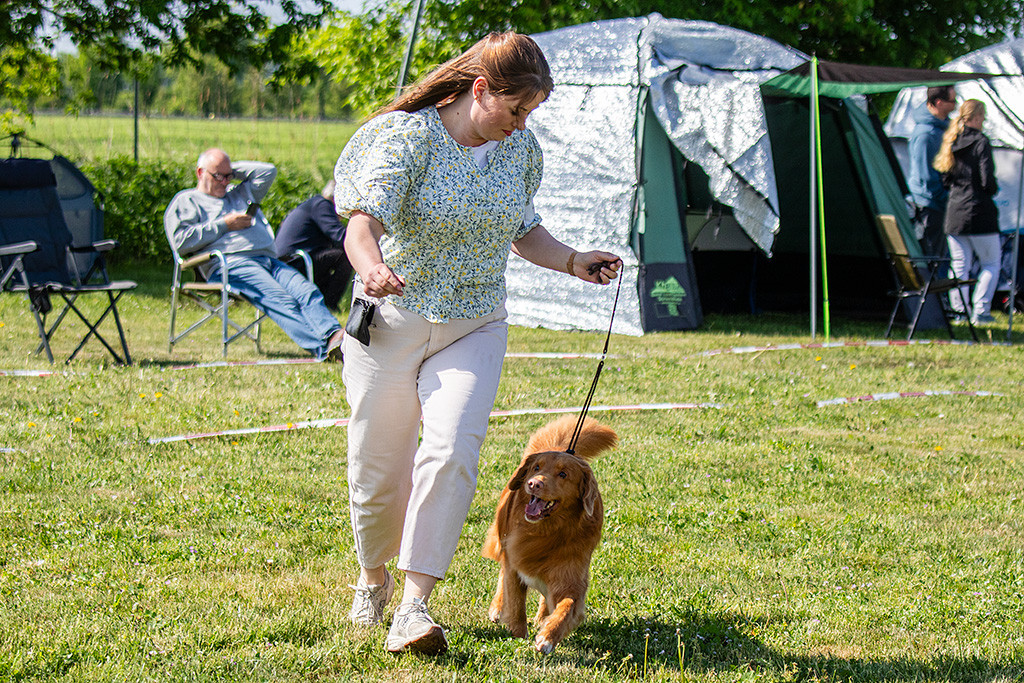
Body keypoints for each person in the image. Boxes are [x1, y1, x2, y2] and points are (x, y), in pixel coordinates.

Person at [333, 32, 622, 655]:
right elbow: (362, 224)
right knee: (378, 469)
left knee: (452, 451)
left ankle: (414, 607)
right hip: (392, 319)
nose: (522, 125)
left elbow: (523, 230)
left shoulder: (520, 153)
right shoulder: (407, 138)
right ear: (481, 88)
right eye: (516, 110)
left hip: (475, 323)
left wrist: (573, 261)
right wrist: (371, 267)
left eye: (531, 114)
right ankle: (373, 578)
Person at [164, 148, 345, 360]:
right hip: (230, 263)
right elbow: (181, 242)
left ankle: (334, 336)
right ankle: (323, 348)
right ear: (199, 172)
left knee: (306, 291)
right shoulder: (187, 201)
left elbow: (267, 171)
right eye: (217, 176)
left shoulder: (239, 193)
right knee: (280, 298)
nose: (224, 182)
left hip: (268, 260)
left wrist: (229, 170)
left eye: (228, 176)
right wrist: (224, 225)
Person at [933, 99, 1001, 325]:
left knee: (959, 265)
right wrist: (993, 189)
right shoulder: (981, 142)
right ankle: (980, 311)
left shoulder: (952, 141)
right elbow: (986, 180)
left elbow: (945, 179)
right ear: (978, 117)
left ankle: (959, 312)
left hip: (955, 213)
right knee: (991, 263)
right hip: (980, 213)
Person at [275, 180, 353, 310]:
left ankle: (322, 302)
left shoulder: (314, 204)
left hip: (289, 260)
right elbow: (340, 236)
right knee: (343, 256)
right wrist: (363, 242)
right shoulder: (322, 205)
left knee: (331, 257)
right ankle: (329, 305)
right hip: (294, 261)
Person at [907, 85, 958, 258]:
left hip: (936, 203)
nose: (956, 105)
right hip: (928, 205)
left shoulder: (940, 129)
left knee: (940, 257)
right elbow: (926, 177)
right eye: (953, 101)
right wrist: (946, 199)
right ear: (939, 103)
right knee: (932, 260)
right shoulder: (926, 135)